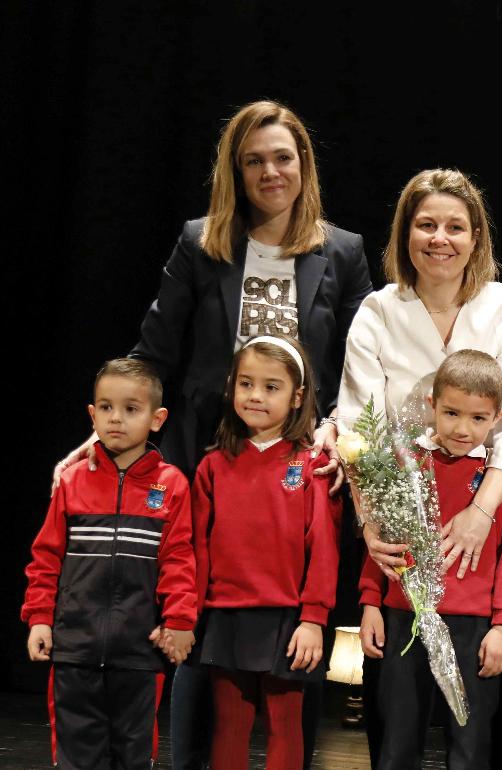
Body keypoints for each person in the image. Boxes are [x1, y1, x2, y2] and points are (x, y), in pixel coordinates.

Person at [48, 100, 373, 770]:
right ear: (236, 171)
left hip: (300, 475)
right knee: (199, 645)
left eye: (282, 156)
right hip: (211, 464)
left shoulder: (343, 251)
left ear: (303, 163)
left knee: (291, 670)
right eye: (253, 160)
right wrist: (107, 433)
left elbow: (356, 364)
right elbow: (153, 351)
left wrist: (341, 430)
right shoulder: (203, 242)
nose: (269, 171)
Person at [337, 168, 502, 581]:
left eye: (455, 227)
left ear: (476, 239)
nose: (440, 239)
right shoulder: (378, 313)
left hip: (485, 518)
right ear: (405, 234)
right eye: (426, 225)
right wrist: (371, 521)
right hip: (399, 525)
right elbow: (358, 428)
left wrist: (480, 514)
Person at [23, 359, 196, 770]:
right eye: (106, 407)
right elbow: (46, 557)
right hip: (74, 650)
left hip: (138, 653)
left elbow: (179, 559)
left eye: (131, 409)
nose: (116, 418)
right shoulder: (72, 480)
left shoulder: (171, 485)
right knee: (75, 755)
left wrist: (179, 619)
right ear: (92, 414)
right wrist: (39, 618)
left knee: (133, 755)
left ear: (157, 419)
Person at [357, 349, 502, 769]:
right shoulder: (406, 464)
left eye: (478, 418)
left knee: (470, 746)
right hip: (404, 618)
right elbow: (382, 538)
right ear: (433, 406)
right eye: (451, 413)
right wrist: (371, 603)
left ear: (497, 417)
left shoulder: (498, 480)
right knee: (397, 739)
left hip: (472, 625)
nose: (463, 428)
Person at [190, 336, 340, 770]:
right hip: (224, 614)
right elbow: (196, 546)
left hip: (287, 618)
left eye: (271, 387)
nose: (255, 396)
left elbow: (323, 548)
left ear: (296, 397)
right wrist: (189, 615)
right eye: (246, 384)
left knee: (284, 724)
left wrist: (313, 618)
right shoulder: (213, 466)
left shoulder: (311, 463)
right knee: (229, 726)